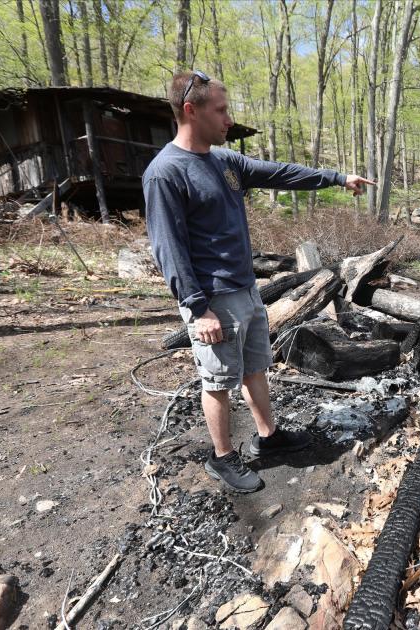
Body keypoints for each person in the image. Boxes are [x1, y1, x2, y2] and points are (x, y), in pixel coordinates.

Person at [142, 70, 374, 493]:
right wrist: (197, 308)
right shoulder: (166, 173)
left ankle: (269, 439)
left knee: (254, 369)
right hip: (212, 299)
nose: (229, 120)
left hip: (246, 289)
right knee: (217, 382)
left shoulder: (224, 161)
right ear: (190, 111)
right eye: (222, 111)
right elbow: (168, 249)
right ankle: (222, 457)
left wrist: (338, 178)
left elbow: (280, 173)